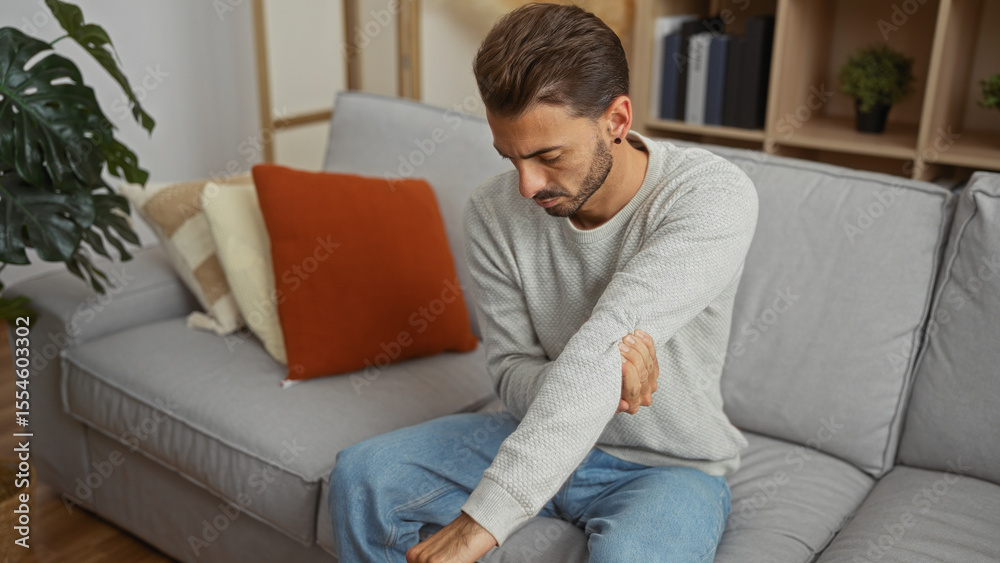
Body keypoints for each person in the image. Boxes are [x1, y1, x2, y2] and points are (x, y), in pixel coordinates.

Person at [330, 3, 758, 562]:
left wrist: (481, 522)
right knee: (363, 476)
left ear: (618, 120)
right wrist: (601, 381)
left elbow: (606, 341)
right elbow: (510, 371)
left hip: (665, 465)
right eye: (510, 158)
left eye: (548, 156)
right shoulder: (492, 211)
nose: (528, 185)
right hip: (524, 432)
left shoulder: (710, 197)